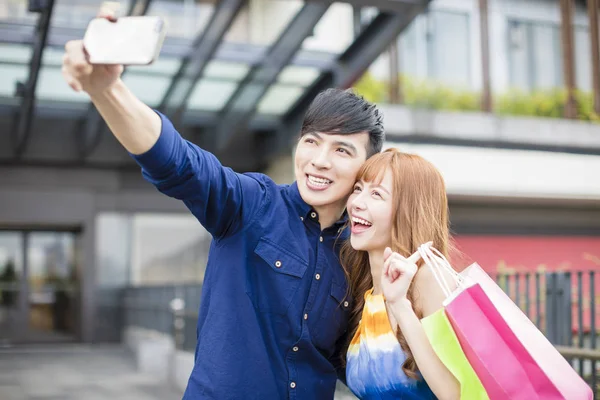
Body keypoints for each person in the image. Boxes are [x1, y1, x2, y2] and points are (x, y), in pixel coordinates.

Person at [61, 10, 385, 399]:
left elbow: (358, 361)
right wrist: (106, 91)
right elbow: (179, 162)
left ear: (365, 167)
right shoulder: (254, 205)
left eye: (341, 150)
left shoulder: (357, 252)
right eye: (312, 141)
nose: (319, 159)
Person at [341, 148, 460, 400]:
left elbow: (456, 393)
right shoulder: (368, 293)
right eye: (358, 189)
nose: (357, 203)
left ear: (408, 209)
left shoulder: (428, 277)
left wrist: (400, 306)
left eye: (376, 194)